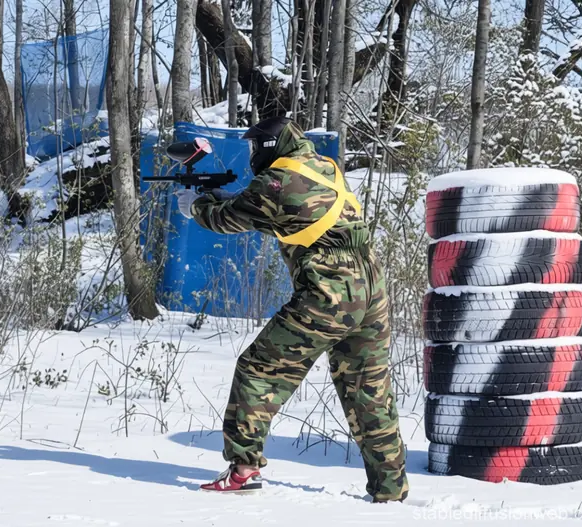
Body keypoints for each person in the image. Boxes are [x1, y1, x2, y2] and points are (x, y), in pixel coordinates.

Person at [174, 116, 409, 503]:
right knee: (369, 389)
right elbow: (278, 209)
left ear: (270, 146)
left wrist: (196, 207)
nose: (252, 154)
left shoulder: (275, 183)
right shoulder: (323, 167)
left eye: (255, 147)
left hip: (330, 291)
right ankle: (391, 489)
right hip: (372, 286)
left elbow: (227, 218)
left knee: (260, 369)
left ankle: (243, 469)